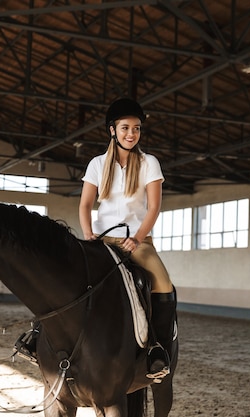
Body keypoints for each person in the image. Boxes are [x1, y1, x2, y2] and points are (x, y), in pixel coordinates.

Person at [78, 97, 177, 382]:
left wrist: (138, 237)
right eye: (124, 128)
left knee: (162, 282)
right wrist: (88, 234)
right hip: (102, 241)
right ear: (112, 130)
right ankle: (38, 337)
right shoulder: (97, 164)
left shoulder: (149, 163)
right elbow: (85, 205)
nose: (131, 134)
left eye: (136, 128)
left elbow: (154, 207)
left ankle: (158, 348)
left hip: (137, 241)